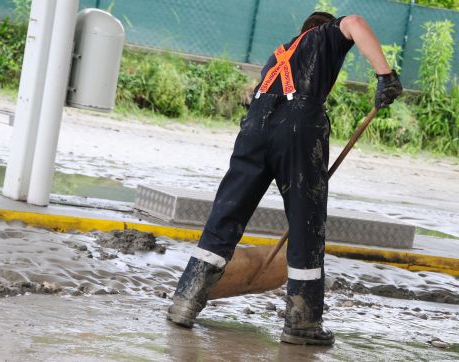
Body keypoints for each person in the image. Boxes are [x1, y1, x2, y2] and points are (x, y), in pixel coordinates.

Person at [167, 12, 403, 345]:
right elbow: (356, 22)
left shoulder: (280, 54)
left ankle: (185, 302)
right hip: (297, 127)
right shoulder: (324, 36)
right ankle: (301, 324)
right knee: (306, 223)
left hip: (254, 127)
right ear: (319, 29)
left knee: (227, 213)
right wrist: (385, 75)